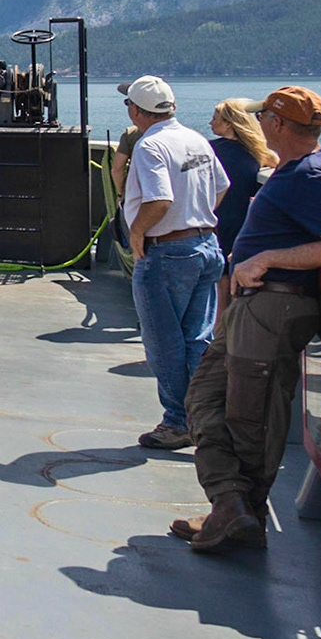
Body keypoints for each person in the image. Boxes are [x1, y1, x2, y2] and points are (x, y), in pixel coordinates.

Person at [176, 85, 321, 554]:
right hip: (253, 307)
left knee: (249, 417)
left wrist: (264, 259)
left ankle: (241, 514)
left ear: (278, 124)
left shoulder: (314, 175)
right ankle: (229, 504)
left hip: (272, 308)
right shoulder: (291, 171)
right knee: (203, 397)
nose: (258, 124)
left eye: (264, 118)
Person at [119, 75, 227, 452]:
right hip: (205, 245)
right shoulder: (196, 139)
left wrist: (137, 233)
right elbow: (221, 187)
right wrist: (195, 219)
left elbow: (159, 200)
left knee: (164, 343)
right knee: (197, 337)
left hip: (166, 253)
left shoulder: (151, 146)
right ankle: (205, 419)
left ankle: (178, 423)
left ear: (136, 110)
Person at [208, 97, 275, 260]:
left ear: (229, 123)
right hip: (242, 222)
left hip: (214, 218)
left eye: (215, 118)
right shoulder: (259, 152)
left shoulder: (209, 149)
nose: (210, 123)